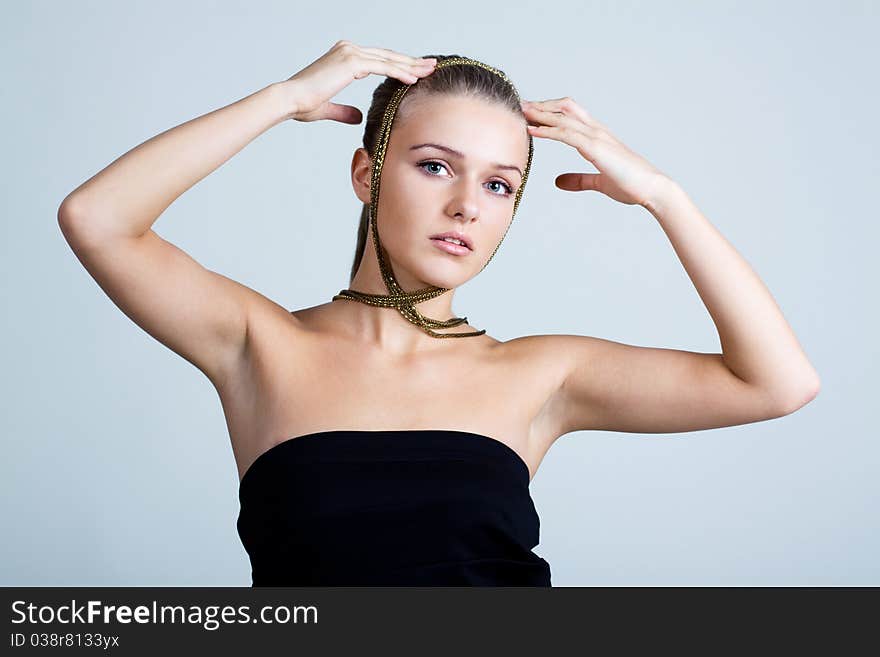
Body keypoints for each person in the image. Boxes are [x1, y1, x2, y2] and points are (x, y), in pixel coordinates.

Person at [58, 40, 821, 586]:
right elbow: (98, 218)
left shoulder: (538, 373)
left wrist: (663, 196)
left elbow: (777, 383)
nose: (465, 205)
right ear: (366, 172)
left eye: (498, 185)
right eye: (434, 166)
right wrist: (283, 100)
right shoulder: (260, 342)